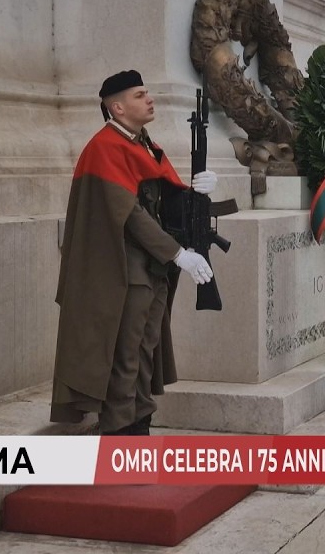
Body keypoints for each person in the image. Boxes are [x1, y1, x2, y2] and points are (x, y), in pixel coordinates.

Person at [51, 70, 217, 435]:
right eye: (140, 95)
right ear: (118, 107)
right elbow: (130, 214)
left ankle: (140, 422)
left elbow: (163, 200)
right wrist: (177, 254)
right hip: (123, 270)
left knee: (145, 351)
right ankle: (120, 433)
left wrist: (197, 191)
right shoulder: (105, 147)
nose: (150, 99)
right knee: (125, 356)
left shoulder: (142, 144)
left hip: (151, 268)